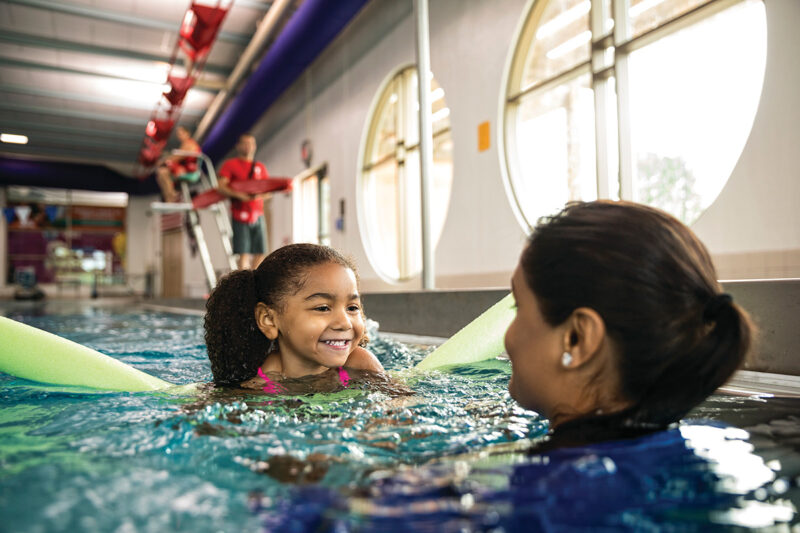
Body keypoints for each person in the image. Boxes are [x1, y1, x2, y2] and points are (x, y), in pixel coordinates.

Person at [504, 200, 753, 447]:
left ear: (576, 338)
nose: (507, 334)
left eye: (518, 307)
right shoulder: (691, 446)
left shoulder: (551, 471)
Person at [204, 243, 385, 391]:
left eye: (352, 308)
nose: (344, 323)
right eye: (323, 308)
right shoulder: (264, 381)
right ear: (269, 319)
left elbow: (396, 403)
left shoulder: (360, 363)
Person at [217, 134, 271, 270]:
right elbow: (221, 186)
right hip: (239, 214)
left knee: (261, 251)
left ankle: (254, 278)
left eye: (251, 143)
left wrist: (257, 196)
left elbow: (268, 191)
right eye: (245, 143)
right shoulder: (230, 165)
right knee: (243, 253)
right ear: (238, 146)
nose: (248, 146)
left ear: (254, 146)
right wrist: (239, 196)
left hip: (258, 214)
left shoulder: (260, 167)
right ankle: (243, 279)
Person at [155, 126, 201, 202]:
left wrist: (163, 161)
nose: (180, 136)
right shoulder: (185, 144)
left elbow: (177, 157)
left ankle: (171, 196)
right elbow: (176, 157)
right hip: (185, 168)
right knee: (161, 173)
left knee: (162, 172)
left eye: (181, 134)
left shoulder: (189, 144)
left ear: (187, 133)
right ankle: (170, 196)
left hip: (189, 170)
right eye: (178, 134)